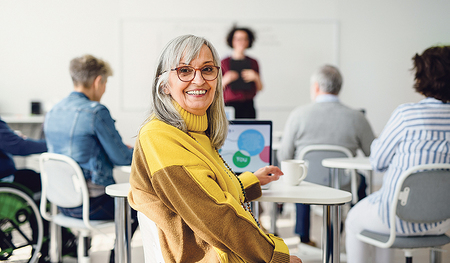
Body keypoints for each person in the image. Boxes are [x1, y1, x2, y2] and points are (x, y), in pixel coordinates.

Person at [128, 35, 301, 263]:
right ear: (164, 85)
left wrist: (249, 182)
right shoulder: (159, 135)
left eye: (207, 69)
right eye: (185, 71)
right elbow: (215, 213)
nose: (199, 80)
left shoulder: (197, 133)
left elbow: (206, 192)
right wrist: (276, 255)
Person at [345, 46, 450, 263]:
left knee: (354, 218)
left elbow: (378, 162)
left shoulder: (406, 115)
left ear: (422, 77)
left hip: (396, 219)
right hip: (443, 220)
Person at [44, 54, 137, 263]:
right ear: (98, 81)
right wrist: (141, 151)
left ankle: (84, 250)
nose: (104, 90)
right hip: (92, 205)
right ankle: (116, 260)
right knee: (138, 206)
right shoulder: (96, 112)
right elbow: (122, 158)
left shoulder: (53, 111)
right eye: (105, 84)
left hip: (60, 202)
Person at [277, 65, 375, 246]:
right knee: (361, 181)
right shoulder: (356, 117)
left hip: (306, 182)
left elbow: (285, 155)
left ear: (315, 87)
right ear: (339, 87)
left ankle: (303, 237)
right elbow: (373, 153)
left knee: (299, 177)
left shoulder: (298, 115)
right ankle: (356, 229)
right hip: (344, 183)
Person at [221, 26, 263, 119]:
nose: (242, 42)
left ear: (249, 41)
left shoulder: (253, 62)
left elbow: (260, 88)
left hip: (248, 105)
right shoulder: (223, 62)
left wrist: (255, 77)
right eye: (238, 39)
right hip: (229, 105)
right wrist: (226, 79)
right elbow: (216, 89)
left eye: (245, 39)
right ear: (232, 41)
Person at [0, 118, 46, 192]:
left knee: (30, 173)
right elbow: (19, 147)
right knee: (48, 179)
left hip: (6, 176)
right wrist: (51, 145)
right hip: (5, 181)